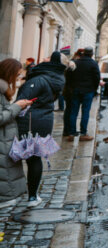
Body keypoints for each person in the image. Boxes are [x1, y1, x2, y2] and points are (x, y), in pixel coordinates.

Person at [16, 51, 68, 206]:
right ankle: (33, 195)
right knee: (34, 158)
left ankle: (28, 195)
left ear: (52, 62)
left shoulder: (39, 79)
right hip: (43, 120)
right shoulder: (54, 77)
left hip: (30, 121)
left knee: (26, 158)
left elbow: (21, 101)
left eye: (47, 57)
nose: (43, 59)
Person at [0, 59, 33, 209]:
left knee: (8, 168)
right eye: (17, 75)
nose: (18, 78)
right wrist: (16, 106)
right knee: (5, 170)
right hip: (2, 138)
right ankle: (6, 198)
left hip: (5, 138)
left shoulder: (4, 89)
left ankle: (9, 196)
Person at [64, 47, 99, 141]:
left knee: (74, 111)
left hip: (76, 90)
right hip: (88, 90)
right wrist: (94, 89)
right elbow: (97, 78)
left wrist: (72, 87)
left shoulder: (76, 62)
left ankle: (71, 132)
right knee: (85, 112)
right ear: (91, 54)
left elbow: (69, 76)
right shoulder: (93, 63)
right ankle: (83, 133)